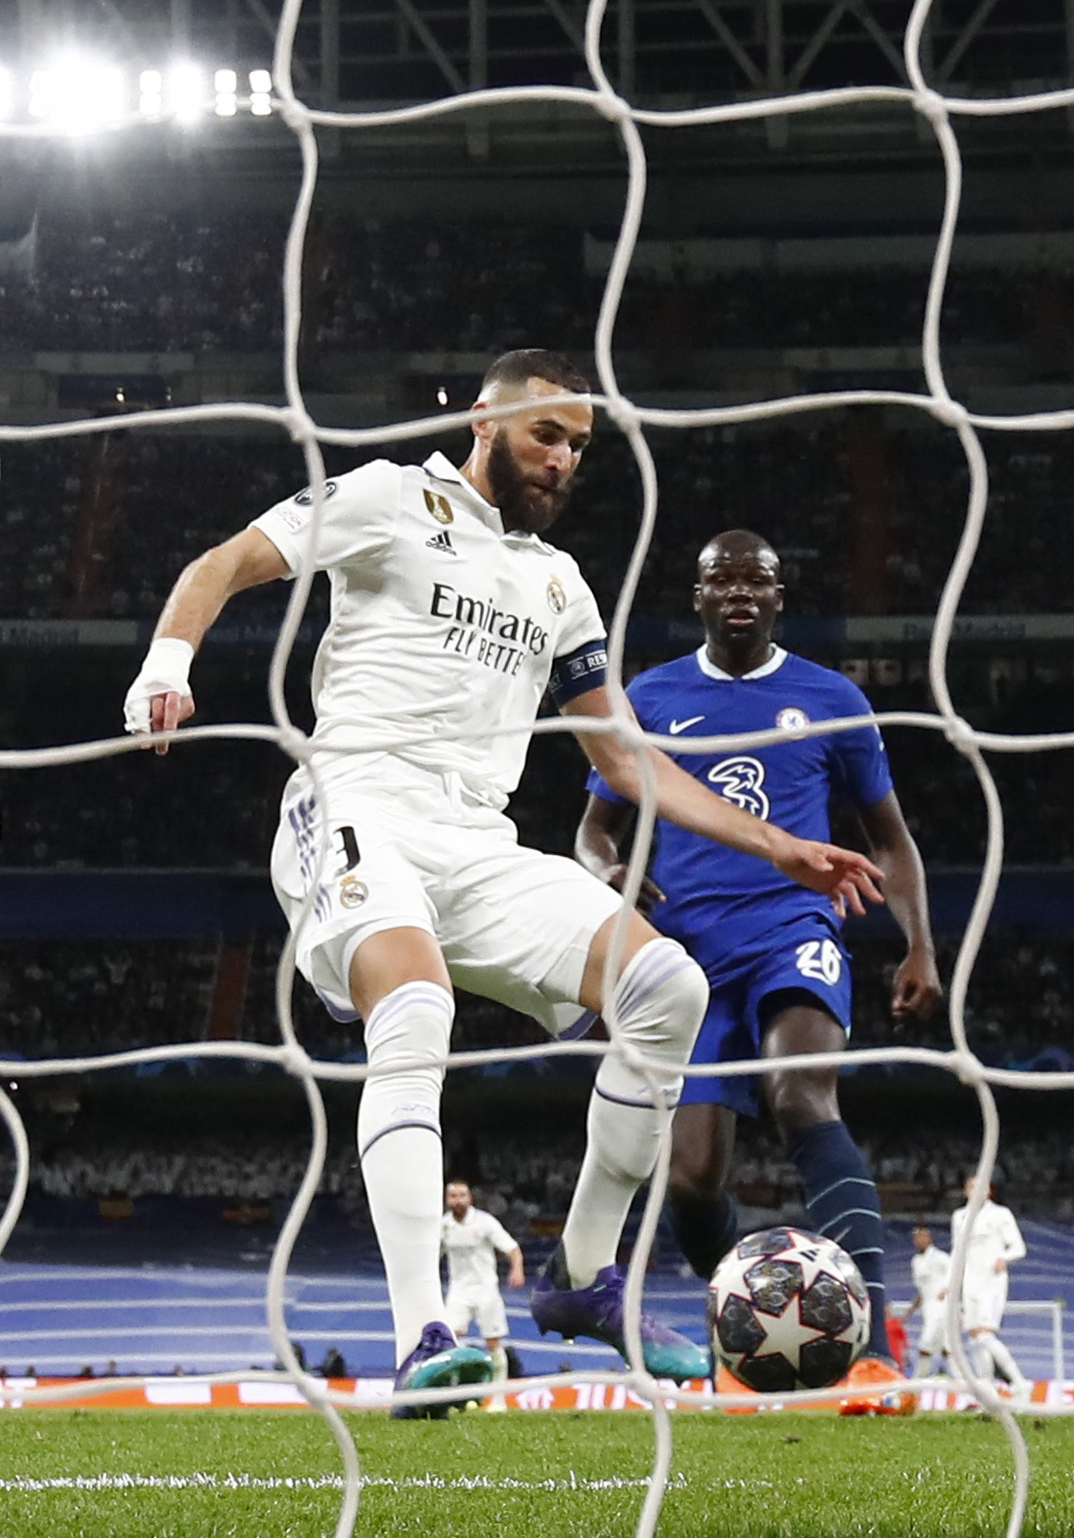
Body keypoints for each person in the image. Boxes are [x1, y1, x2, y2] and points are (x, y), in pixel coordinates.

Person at [123, 349, 878, 1413]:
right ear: (487, 418)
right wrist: (168, 664)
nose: (564, 459)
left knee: (669, 989)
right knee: (417, 1004)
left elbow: (622, 758)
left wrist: (779, 846)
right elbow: (222, 563)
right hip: (354, 803)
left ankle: (581, 1278)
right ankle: (420, 1333)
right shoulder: (390, 496)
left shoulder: (557, 582)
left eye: (578, 445)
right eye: (547, 435)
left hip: (476, 840)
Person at [566, 530, 938, 1400]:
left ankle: (876, 1344)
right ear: (695, 597)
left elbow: (892, 838)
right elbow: (590, 833)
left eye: (757, 580)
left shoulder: (832, 697)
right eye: (721, 579)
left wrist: (920, 943)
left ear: (779, 597)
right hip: (685, 956)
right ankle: (748, 1338)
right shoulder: (649, 699)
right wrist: (609, 872)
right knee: (692, 1179)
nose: (739, 591)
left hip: (791, 924)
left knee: (797, 1089)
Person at [437, 1180, 524, 1376]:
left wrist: (516, 1269)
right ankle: (458, 1390)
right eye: (453, 1196)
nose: (458, 1200)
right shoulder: (444, 1226)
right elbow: (434, 1256)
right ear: (447, 1200)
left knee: (492, 1342)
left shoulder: (485, 1222)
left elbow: (513, 1249)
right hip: (458, 1290)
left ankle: (497, 1397)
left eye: (462, 1195)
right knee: (450, 1339)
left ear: (470, 1198)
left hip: (486, 1289)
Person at [952, 1176, 1028, 1386]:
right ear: (965, 1191)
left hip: (991, 1282)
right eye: (972, 1187)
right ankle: (988, 1392)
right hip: (969, 1282)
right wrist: (952, 1285)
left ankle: (1019, 1382)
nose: (977, 1191)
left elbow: (1018, 1248)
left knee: (985, 1335)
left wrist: (1004, 1258)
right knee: (975, 1338)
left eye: (981, 1187)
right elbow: (956, 1252)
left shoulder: (1000, 1214)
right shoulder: (959, 1217)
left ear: (989, 1191)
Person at [908, 1224, 954, 1375]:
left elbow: (955, 1273)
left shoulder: (940, 1257)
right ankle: (959, 1381)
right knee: (946, 1350)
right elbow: (922, 1290)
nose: (918, 1241)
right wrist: (910, 1311)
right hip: (928, 1309)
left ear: (929, 1239)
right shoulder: (916, 1261)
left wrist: (946, 1289)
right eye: (916, 1238)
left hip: (941, 1307)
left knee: (925, 1344)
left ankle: (916, 1383)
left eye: (921, 1237)